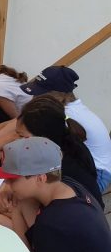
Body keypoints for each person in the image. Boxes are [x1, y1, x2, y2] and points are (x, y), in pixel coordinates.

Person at [19, 65, 111, 194]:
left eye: (38, 93)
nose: (33, 97)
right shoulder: (69, 108)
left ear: (57, 95)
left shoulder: (66, 114)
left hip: (97, 176)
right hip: (87, 169)